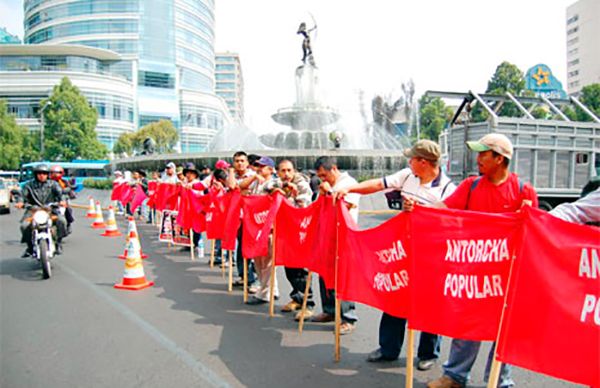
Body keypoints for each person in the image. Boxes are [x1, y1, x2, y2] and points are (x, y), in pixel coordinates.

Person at [426, 133, 538, 388]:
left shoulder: (524, 191)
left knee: (504, 329)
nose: (478, 159)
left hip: (507, 274)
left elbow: (533, 232)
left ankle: (499, 380)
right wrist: (419, 209)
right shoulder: (470, 186)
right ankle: (454, 376)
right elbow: (444, 209)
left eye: (483, 154)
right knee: (467, 324)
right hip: (474, 273)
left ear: (499, 159)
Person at [335, 139, 456, 367]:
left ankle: (428, 354)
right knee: (394, 296)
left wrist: (421, 211)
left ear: (423, 162)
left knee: (428, 304)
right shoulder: (407, 175)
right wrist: (349, 188)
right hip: (403, 251)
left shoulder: (448, 189)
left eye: (412, 158)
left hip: (431, 255)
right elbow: (377, 185)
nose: (408, 161)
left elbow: (450, 221)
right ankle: (388, 348)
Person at [310, 156, 360, 335]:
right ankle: (329, 310)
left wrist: (330, 191)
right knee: (324, 272)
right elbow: (318, 207)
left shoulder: (349, 183)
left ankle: (348, 317)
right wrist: (323, 193)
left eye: (324, 175)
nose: (323, 179)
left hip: (344, 236)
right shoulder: (326, 185)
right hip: (327, 235)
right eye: (320, 177)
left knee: (342, 276)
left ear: (333, 169)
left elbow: (345, 205)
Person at [264, 159, 314, 314]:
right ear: (278, 172)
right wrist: (279, 189)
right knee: (289, 267)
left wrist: (294, 195)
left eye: (289, 170)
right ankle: (297, 298)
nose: (286, 174)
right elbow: (266, 187)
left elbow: (305, 205)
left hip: (300, 232)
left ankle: (308, 303)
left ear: (294, 171)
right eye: (283, 171)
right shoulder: (277, 182)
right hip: (284, 231)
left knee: (300, 268)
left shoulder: (302, 184)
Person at [240, 156, 281, 304]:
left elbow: (274, 190)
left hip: (269, 227)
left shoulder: (275, 182)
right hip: (255, 227)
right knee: (258, 260)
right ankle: (271, 289)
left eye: (262, 167)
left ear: (270, 169)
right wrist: (254, 177)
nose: (258, 168)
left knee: (268, 261)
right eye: (257, 166)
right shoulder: (255, 181)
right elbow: (241, 187)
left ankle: (264, 293)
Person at [16, 164, 67, 257]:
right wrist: (20, 202)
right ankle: (30, 247)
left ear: (47, 175)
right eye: (39, 173)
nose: (42, 175)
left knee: (62, 221)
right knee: (24, 226)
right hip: (33, 210)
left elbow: (61, 193)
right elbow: (22, 195)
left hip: (50, 210)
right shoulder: (29, 185)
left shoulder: (53, 184)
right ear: (35, 174)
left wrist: (62, 200)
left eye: (44, 173)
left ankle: (58, 243)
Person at [226, 151, 257, 288]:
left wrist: (239, 190)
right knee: (241, 247)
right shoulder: (231, 175)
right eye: (237, 161)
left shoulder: (252, 175)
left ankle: (252, 278)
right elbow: (232, 186)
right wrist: (231, 172)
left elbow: (238, 187)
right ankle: (244, 275)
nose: (239, 163)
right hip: (236, 217)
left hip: (251, 217)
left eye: (242, 160)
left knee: (249, 247)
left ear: (247, 163)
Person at [49, 165, 76, 234]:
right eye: (53, 172)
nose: (56, 174)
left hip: (62, 201)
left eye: (58, 172)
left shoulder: (64, 182)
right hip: (50, 200)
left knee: (68, 209)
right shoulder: (47, 182)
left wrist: (66, 190)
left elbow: (70, 188)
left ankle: (68, 223)